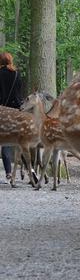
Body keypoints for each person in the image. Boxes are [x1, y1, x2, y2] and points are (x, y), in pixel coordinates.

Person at [0, 51, 23, 182]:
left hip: (3, 111)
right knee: (21, 141)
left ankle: (9, 172)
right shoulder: (17, 74)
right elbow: (18, 94)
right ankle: (29, 170)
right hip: (16, 111)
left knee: (5, 143)